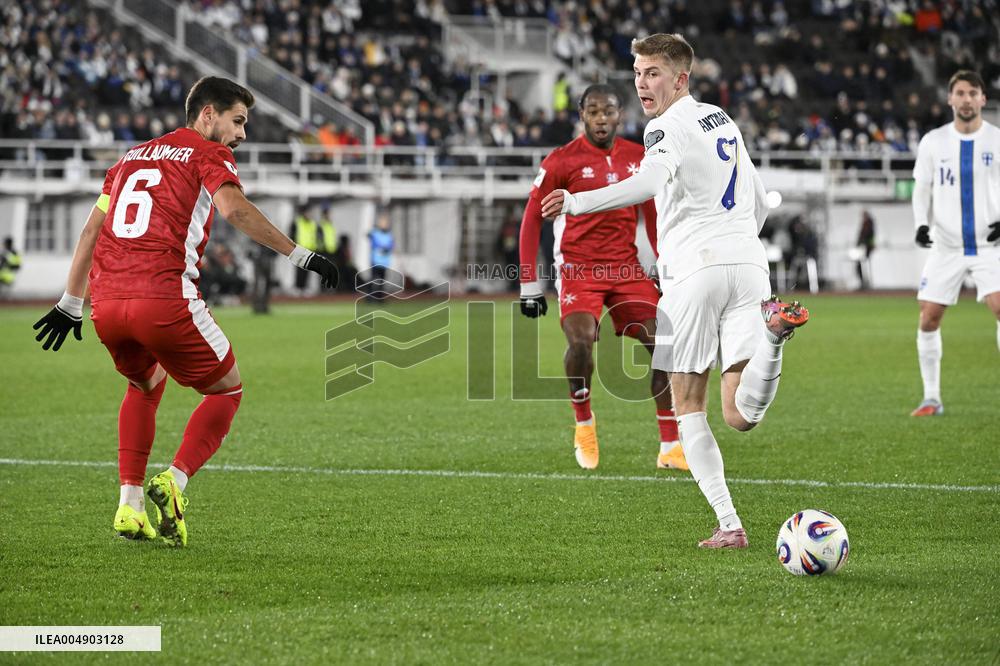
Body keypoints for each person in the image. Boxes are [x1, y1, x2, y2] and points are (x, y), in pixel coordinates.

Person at [31, 76, 338, 547]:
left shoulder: (129, 158)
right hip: (163, 298)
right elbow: (235, 210)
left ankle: (129, 505)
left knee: (144, 384)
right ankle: (174, 480)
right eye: (238, 121)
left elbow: (91, 230)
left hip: (107, 305)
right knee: (227, 390)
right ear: (208, 114)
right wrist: (301, 255)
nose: (242, 134)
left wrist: (71, 302)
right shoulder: (207, 152)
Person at [541, 34, 808, 549]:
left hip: (695, 272)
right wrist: (737, 244)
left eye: (653, 73)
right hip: (749, 265)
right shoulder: (721, 118)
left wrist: (576, 202)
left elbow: (648, 183)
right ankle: (774, 339)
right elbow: (757, 198)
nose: (642, 83)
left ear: (681, 78)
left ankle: (730, 524)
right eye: (638, 73)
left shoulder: (664, 126)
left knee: (688, 405)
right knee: (739, 414)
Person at [520, 83, 685, 471]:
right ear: (582, 115)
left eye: (608, 111)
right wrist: (529, 284)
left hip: (626, 268)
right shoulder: (561, 161)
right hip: (578, 269)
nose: (601, 118)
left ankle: (670, 446)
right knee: (580, 343)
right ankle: (584, 424)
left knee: (666, 343)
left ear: (620, 115)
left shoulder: (639, 157)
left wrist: (667, 266)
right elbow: (531, 219)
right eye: (593, 111)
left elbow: (653, 217)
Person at [910, 70, 1000, 417]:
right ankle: (931, 398)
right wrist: (921, 223)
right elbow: (922, 188)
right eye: (960, 93)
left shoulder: (996, 140)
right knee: (929, 317)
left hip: (989, 246)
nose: (966, 99)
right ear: (950, 99)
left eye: (972, 93)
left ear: (982, 99)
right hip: (946, 246)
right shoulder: (933, 142)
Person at [289, 203, 319, 294]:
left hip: (310, 250)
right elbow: (291, 235)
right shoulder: (297, 222)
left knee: (307, 270)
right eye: (308, 212)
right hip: (299, 250)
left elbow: (315, 237)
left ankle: (305, 287)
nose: (309, 214)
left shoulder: (313, 224)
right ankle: (298, 287)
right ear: (303, 213)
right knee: (299, 270)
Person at [367, 213, 394, 299]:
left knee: (382, 280)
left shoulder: (389, 235)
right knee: (373, 279)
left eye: (385, 223)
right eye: (382, 222)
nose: (384, 224)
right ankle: (370, 297)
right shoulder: (375, 232)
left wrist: (386, 248)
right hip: (376, 260)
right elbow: (368, 235)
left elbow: (391, 245)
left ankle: (380, 297)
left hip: (384, 261)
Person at [854, 210, 875, 290]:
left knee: (862, 266)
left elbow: (869, 237)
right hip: (864, 247)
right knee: (862, 266)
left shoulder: (868, 225)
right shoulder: (868, 224)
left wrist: (868, 245)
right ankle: (864, 282)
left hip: (865, 248)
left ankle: (865, 283)